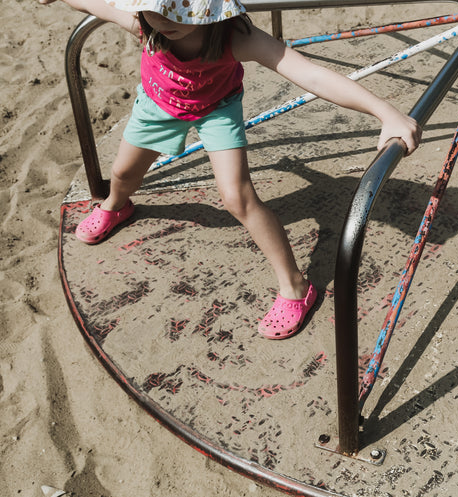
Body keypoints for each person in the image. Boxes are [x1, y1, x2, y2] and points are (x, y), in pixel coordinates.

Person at [41, 0, 422, 339]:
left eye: (179, 7)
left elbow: (312, 75)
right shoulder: (145, 21)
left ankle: (294, 286)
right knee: (123, 174)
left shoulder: (234, 36)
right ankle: (116, 204)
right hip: (156, 106)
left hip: (217, 110)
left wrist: (385, 112)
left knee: (238, 198)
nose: (164, 17)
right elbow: (93, 4)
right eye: (156, 5)